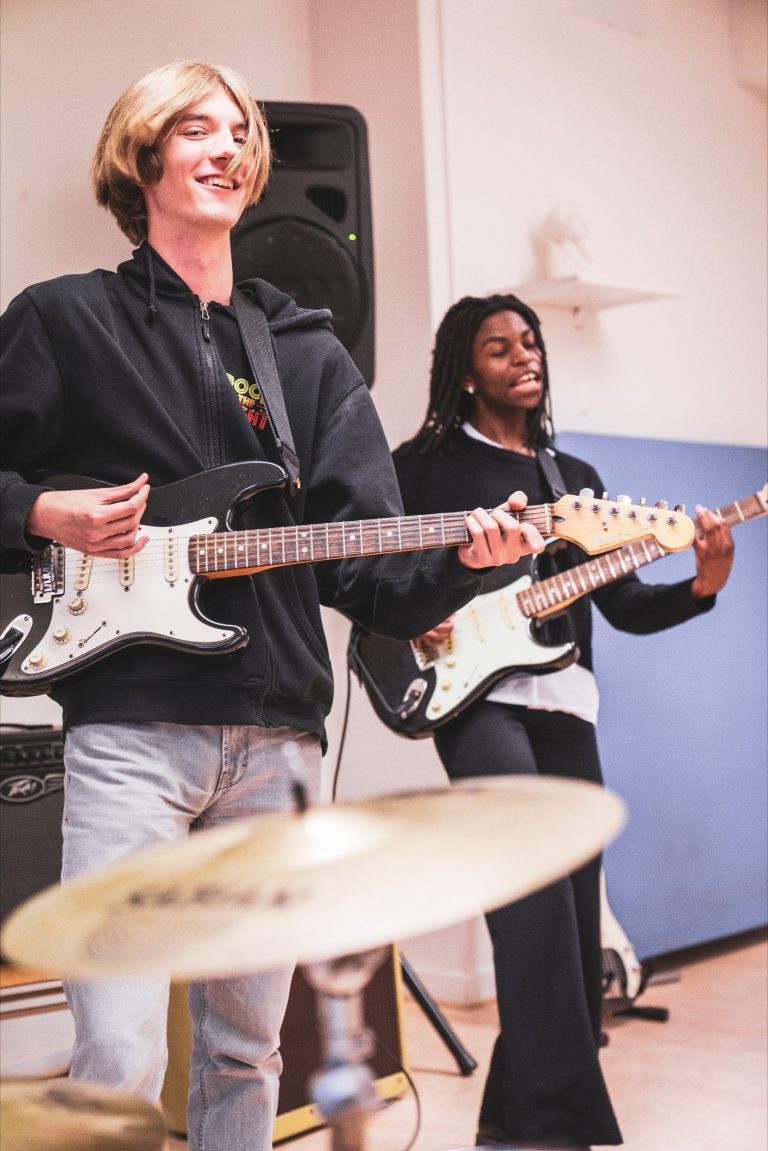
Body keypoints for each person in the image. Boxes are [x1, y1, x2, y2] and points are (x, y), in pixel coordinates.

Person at [0, 68, 545, 1151]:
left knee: (248, 1048)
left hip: (281, 742)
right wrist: (44, 511)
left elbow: (371, 576)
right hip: (133, 729)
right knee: (118, 1052)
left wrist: (468, 565)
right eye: (194, 125)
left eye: (240, 130)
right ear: (140, 156)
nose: (226, 144)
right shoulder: (64, 319)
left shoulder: (305, 353)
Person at [392, 293, 734, 1151]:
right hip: (472, 700)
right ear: (464, 372)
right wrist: (405, 619)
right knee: (533, 906)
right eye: (499, 347)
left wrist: (701, 584)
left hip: (565, 701)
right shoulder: (422, 466)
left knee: (577, 941)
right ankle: (567, 1135)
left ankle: (509, 1125)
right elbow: (375, 580)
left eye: (531, 342)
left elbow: (619, 605)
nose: (523, 356)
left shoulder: (573, 481)